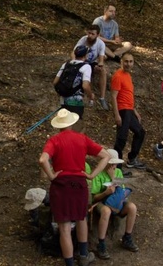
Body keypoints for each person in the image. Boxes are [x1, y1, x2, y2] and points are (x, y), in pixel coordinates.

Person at [39, 109, 112, 266]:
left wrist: (51, 175)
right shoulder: (82, 139)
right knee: (81, 218)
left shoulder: (54, 141)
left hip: (61, 185)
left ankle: (70, 263)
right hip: (79, 184)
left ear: (58, 125)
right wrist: (92, 175)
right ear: (72, 123)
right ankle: (84, 256)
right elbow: (106, 156)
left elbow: (43, 160)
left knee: (64, 227)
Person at [85, 150, 139, 260]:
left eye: (115, 163)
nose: (114, 166)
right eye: (112, 164)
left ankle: (127, 237)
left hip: (117, 201)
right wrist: (105, 193)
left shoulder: (118, 172)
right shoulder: (98, 174)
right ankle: (101, 243)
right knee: (106, 211)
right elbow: (94, 198)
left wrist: (113, 177)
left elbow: (121, 191)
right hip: (102, 202)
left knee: (132, 207)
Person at [109, 54, 146, 171]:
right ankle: (117, 166)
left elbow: (128, 94)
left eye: (131, 62)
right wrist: (117, 115)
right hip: (122, 110)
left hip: (129, 110)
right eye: (126, 61)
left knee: (140, 132)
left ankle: (132, 159)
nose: (128, 64)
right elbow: (114, 96)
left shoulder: (128, 75)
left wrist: (134, 111)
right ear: (121, 62)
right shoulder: (118, 76)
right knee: (121, 138)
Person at [73, 24, 109, 109]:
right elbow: (74, 51)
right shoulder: (83, 39)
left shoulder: (101, 44)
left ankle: (102, 98)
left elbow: (101, 58)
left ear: (97, 35)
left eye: (92, 34)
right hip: (81, 61)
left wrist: (100, 65)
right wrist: (74, 61)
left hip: (92, 63)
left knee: (103, 71)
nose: (90, 36)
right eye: (89, 33)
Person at [54, 45, 95, 118]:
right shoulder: (86, 67)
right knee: (75, 124)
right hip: (76, 101)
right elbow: (85, 86)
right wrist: (91, 95)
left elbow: (55, 82)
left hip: (63, 99)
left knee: (64, 123)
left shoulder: (66, 64)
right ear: (85, 55)